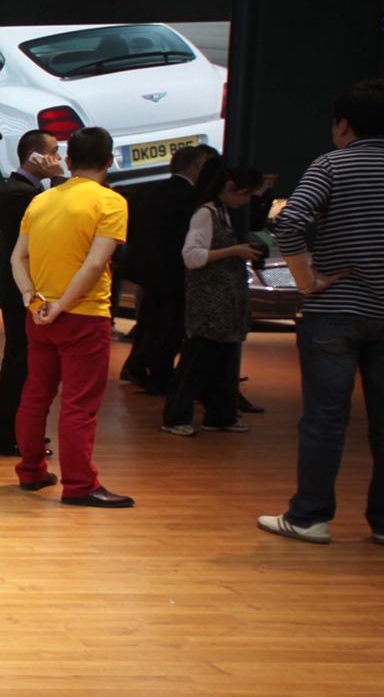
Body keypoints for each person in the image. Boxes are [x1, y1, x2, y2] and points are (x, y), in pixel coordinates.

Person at [258, 78, 384, 545]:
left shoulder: (332, 164)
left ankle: (310, 516)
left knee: (325, 420)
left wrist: (307, 278)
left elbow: (289, 221)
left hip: (334, 311)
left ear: (344, 125)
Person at [11, 125, 132, 508]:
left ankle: (31, 472)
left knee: (35, 396)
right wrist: (62, 305)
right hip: (84, 315)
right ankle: (79, 485)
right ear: (110, 161)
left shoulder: (42, 200)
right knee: (80, 404)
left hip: (40, 313)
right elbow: (96, 264)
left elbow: (18, 258)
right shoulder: (111, 202)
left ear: (68, 159)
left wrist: (33, 299)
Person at [161, 165, 264, 437]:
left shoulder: (223, 213)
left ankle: (221, 416)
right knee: (195, 363)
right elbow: (192, 257)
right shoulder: (205, 213)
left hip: (224, 303)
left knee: (220, 364)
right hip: (208, 304)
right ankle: (175, 417)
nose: (246, 201)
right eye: (245, 194)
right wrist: (234, 251)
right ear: (230, 187)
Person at [120, 144, 218, 394]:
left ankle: (140, 366)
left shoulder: (146, 190)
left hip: (145, 270)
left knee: (150, 322)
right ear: (195, 166)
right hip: (175, 272)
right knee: (169, 327)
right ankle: (158, 375)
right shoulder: (191, 197)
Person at [0, 129, 65, 456]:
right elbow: (57, 219)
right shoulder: (18, 193)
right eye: (53, 152)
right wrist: (60, 179)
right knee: (19, 363)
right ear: (34, 155)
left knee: (28, 363)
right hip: (21, 289)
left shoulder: (28, 190)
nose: (58, 159)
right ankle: (9, 436)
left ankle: (22, 432)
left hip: (31, 288)